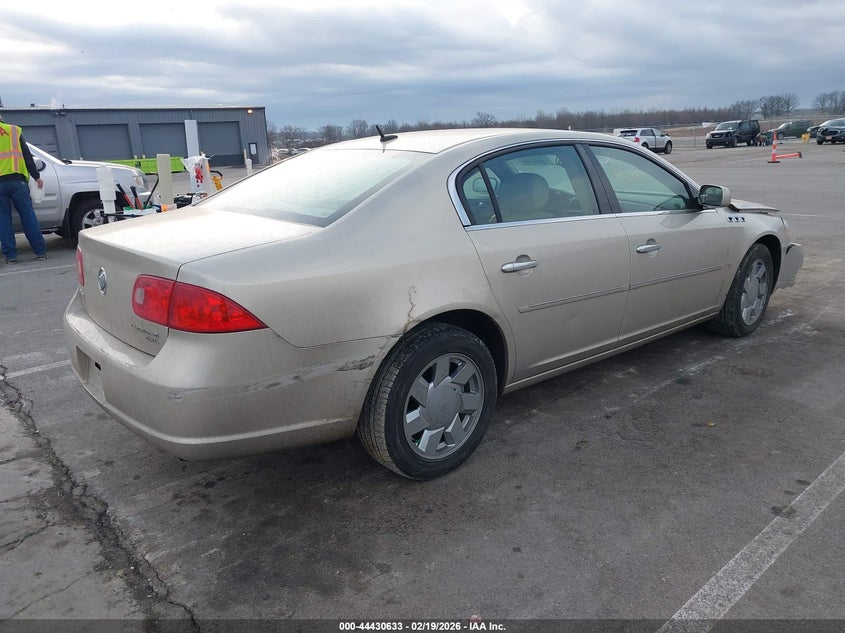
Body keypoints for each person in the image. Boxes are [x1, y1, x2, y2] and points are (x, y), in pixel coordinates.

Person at [0, 114, 48, 264]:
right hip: (17, 181)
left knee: (3, 219)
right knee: (28, 216)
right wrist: (36, 176)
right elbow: (27, 156)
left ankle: (11, 256)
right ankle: (40, 252)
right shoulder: (14, 131)